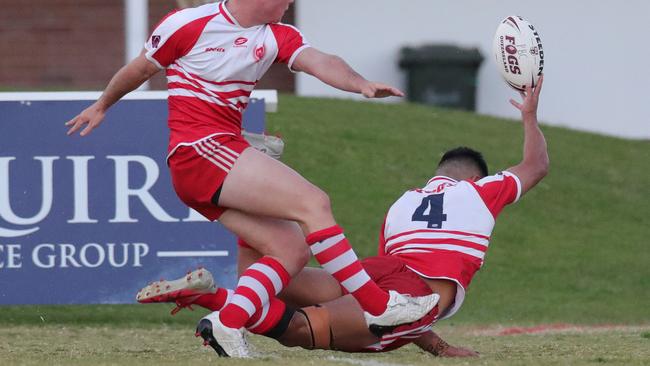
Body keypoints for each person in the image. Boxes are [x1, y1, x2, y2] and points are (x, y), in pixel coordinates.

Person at [65, 0, 437, 357]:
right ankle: (378, 305)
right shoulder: (188, 23)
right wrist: (102, 105)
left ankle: (229, 321)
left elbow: (320, 60)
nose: (291, 1)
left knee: (290, 250)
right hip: (199, 152)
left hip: (212, 159)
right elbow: (140, 69)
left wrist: (359, 84)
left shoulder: (275, 34)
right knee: (314, 203)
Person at [137, 77, 548, 357]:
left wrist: (439, 347)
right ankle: (211, 300)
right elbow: (536, 165)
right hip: (411, 291)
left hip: (378, 274)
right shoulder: (481, 191)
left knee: (276, 287)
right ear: (475, 176)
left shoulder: (402, 205)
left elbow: (392, 290)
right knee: (301, 330)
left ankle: (249, 212)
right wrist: (529, 114)